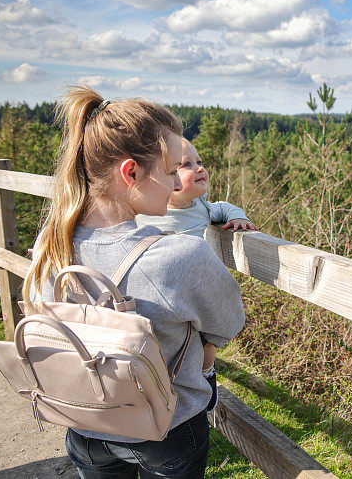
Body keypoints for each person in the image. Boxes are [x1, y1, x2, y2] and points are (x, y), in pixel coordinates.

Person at [23, 85, 245, 478]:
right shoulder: (180, 257)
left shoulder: (49, 244)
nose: (179, 185)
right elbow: (228, 325)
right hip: (166, 430)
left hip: (84, 423)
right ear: (131, 173)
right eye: (170, 171)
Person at [136, 137, 256, 412]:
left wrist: (239, 217)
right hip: (163, 296)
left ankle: (205, 377)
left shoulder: (201, 207)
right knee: (168, 349)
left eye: (199, 162)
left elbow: (223, 207)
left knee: (205, 344)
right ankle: (164, 393)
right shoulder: (150, 214)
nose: (200, 168)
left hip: (198, 296)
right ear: (164, 178)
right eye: (186, 165)